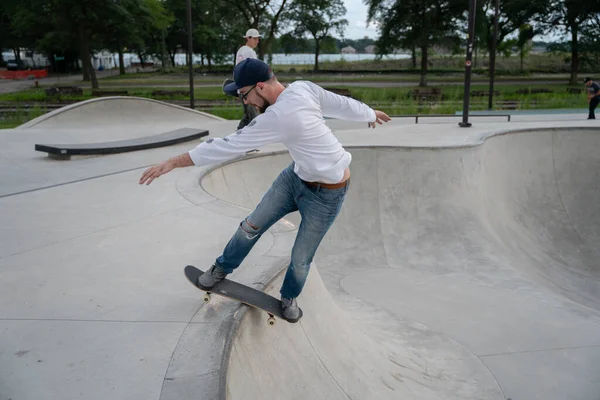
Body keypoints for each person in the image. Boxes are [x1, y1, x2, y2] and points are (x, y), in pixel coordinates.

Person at [139, 58, 391, 323]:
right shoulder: (302, 88)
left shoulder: (280, 115)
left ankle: (289, 297)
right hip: (294, 178)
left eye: (243, 95)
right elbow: (341, 104)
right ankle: (220, 268)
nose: (245, 102)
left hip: (327, 196)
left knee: (301, 257)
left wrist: (173, 162)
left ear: (260, 87)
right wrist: (369, 113)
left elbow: (225, 145)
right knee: (251, 226)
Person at [235, 28, 262, 129]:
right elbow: (254, 70)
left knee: (248, 113)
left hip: (241, 87)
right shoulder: (251, 52)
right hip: (249, 88)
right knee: (254, 116)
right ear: (248, 38)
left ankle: (239, 133)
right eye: (255, 39)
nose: (257, 41)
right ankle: (247, 135)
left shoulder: (240, 51)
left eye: (258, 39)